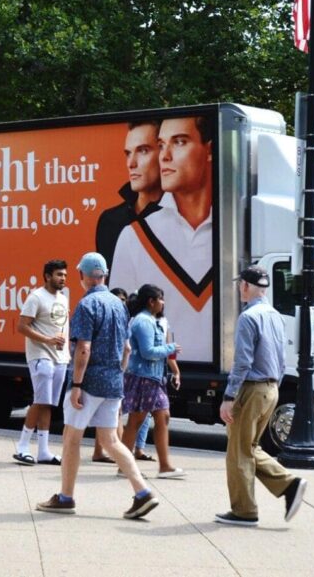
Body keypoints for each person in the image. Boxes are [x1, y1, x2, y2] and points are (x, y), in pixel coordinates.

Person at [36, 253, 159, 520]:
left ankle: (66, 497)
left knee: (72, 438)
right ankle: (142, 492)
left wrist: (77, 384)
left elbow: (83, 348)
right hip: (113, 382)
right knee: (111, 440)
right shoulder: (119, 304)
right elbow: (126, 347)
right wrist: (118, 373)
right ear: (103, 275)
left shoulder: (87, 304)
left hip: (90, 381)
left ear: (85, 275)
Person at [109, 115, 214, 365]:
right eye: (161, 145)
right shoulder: (135, 236)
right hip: (147, 369)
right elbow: (119, 321)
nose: (164, 156)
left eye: (179, 142)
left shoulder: (236, 229)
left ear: (209, 150)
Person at [216, 266, 307, 527]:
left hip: (251, 389)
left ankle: (245, 511)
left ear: (246, 285)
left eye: (239, 284)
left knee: (238, 452)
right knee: (250, 447)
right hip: (271, 389)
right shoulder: (275, 315)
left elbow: (242, 361)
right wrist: (274, 386)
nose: (237, 289)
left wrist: (229, 396)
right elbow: (281, 358)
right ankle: (290, 485)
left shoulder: (248, 317)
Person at [120, 284, 185, 478]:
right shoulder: (143, 322)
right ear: (151, 301)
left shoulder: (152, 320)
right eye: (161, 299)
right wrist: (170, 348)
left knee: (161, 417)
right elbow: (148, 352)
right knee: (136, 420)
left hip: (153, 378)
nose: (163, 303)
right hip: (144, 378)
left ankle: (164, 466)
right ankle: (125, 466)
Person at [12, 259, 70, 466]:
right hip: (40, 356)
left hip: (60, 358)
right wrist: (47, 340)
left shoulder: (63, 298)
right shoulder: (36, 297)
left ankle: (44, 451)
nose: (62, 278)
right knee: (39, 400)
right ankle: (22, 446)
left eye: (64, 275)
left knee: (48, 404)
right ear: (47, 276)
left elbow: (60, 326)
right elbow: (21, 327)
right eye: (58, 275)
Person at [95, 121, 163, 275]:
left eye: (143, 151)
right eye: (128, 153)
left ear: (164, 154)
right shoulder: (110, 220)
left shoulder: (179, 216)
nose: (131, 163)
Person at [91, 287, 128, 464]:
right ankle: (121, 456)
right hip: (111, 373)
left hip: (109, 372)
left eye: (123, 300)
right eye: (118, 299)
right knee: (116, 415)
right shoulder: (116, 319)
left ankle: (99, 451)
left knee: (104, 416)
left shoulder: (119, 318)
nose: (121, 302)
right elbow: (125, 349)